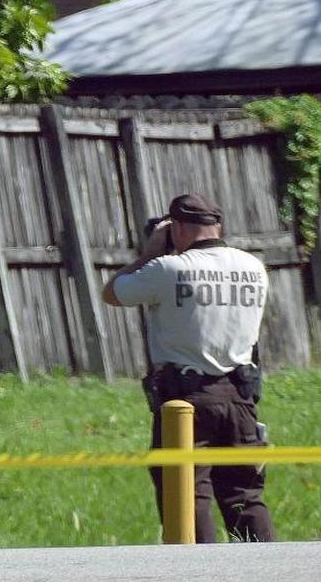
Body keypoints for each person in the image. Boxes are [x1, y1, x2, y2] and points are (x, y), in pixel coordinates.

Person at [102, 192, 273, 542]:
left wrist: (149, 253)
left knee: (186, 494)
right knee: (244, 496)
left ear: (177, 227)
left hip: (186, 400)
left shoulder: (168, 268)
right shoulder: (253, 267)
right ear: (217, 226)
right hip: (241, 397)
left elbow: (113, 293)